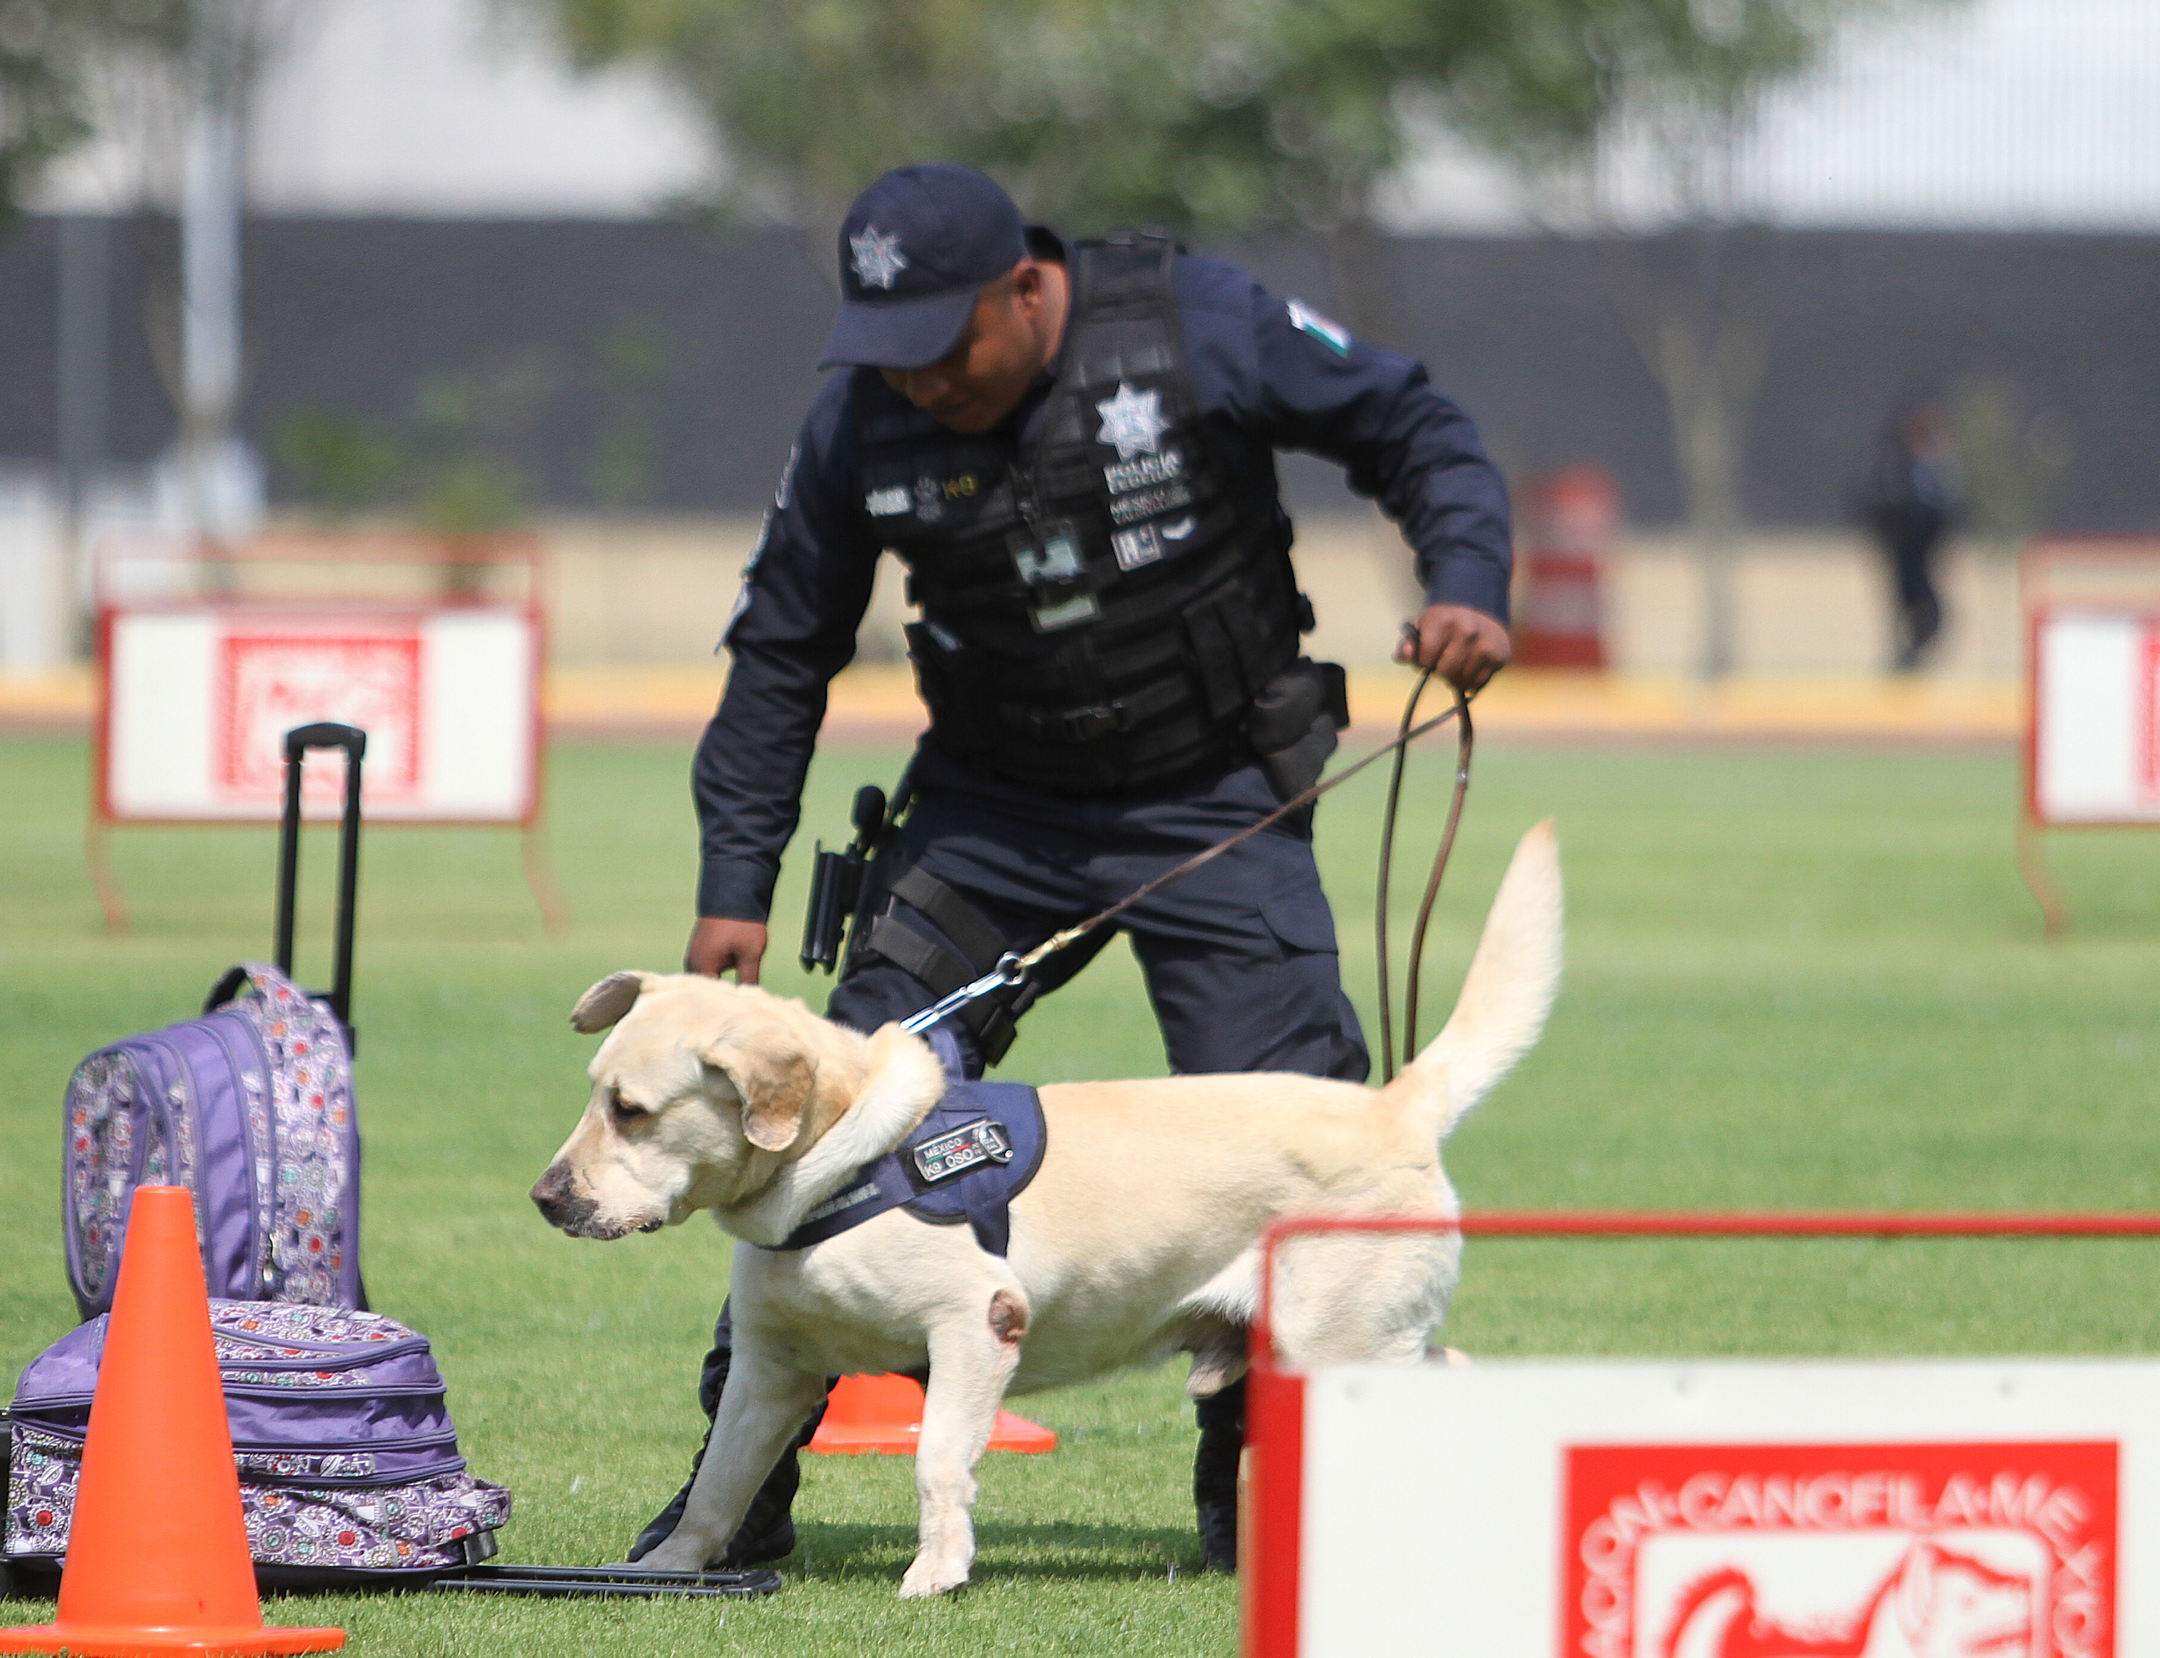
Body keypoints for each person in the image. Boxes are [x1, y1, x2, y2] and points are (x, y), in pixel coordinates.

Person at [632, 161, 1513, 1574]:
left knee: (1288, 1146)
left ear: (1023, 289)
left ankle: (1255, 1519)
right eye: (886, 353)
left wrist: (1465, 573)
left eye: (941, 346)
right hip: (992, 810)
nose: (913, 382)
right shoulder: (860, 412)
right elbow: (780, 641)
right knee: (825, 1120)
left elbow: (1410, 421)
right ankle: (727, 1508)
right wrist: (734, 877)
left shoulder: (1190, 325)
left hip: (1211, 793)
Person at [1861, 403, 1960, 673]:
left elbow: (1945, 508)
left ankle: (1917, 648)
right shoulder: (1898, 465)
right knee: (1908, 597)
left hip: (1925, 548)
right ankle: (1907, 651)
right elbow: (1882, 503)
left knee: (1926, 601)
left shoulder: (1936, 469)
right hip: (1905, 546)